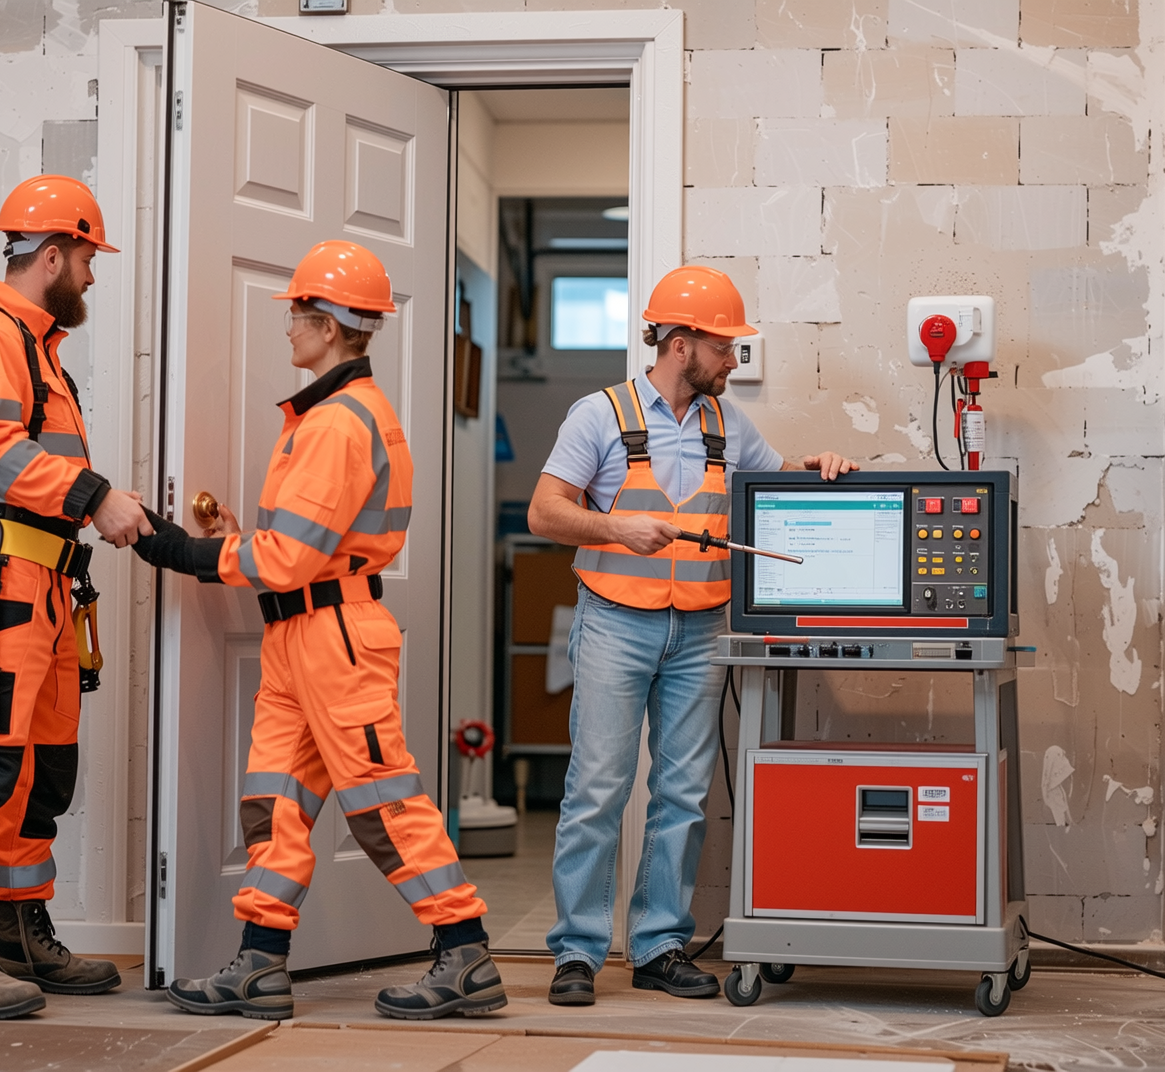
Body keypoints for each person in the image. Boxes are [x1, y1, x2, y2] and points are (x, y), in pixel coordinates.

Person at [136, 240, 504, 1022]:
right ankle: (261, 962)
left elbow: (292, 556)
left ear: (333, 325)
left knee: (380, 805)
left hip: (334, 639)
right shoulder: (330, 415)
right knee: (273, 804)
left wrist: (177, 548)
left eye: (300, 313)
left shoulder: (339, 422)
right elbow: (301, 545)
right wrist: (234, 543)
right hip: (300, 639)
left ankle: (463, 951)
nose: (290, 327)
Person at [529, 266, 858, 1005]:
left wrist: (819, 468)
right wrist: (614, 526)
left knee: (681, 794)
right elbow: (545, 513)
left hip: (703, 629)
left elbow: (772, 494)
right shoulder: (600, 416)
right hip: (615, 622)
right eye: (724, 347)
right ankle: (576, 954)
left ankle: (659, 946)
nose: (733, 361)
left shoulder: (727, 424)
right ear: (681, 345)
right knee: (598, 789)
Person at [0, 174, 154, 1019]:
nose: (91, 275)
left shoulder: (39, 344)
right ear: (51, 255)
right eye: (86, 258)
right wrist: (96, 495)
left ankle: (18, 932)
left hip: (44, 589)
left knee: (41, 771)